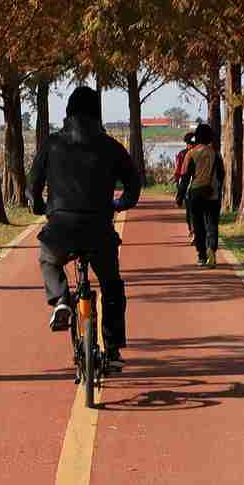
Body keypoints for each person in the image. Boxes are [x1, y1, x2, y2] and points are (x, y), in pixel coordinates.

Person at [30, 86, 141, 369]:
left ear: (68, 112)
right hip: (99, 229)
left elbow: (32, 187)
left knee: (47, 258)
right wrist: (120, 204)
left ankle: (61, 299)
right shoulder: (111, 146)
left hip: (61, 228)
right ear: (97, 114)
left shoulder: (51, 144)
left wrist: (39, 207)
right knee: (112, 286)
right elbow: (133, 183)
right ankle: (113, 349)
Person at [179, 121, 226, 266]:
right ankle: (211, 250)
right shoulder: (216, 154)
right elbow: (221, 174)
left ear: (197, 137)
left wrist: (179, 196)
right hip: (212, 194)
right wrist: (217, 188)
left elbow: (185, 177)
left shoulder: (190, 154)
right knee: (212, 224)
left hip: (196, 194)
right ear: (210, 137)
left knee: (198, 225)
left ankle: (201, 256)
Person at [172, 129, 199, 246]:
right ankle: (194, 231)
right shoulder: (183, 154)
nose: (191, 146)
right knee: (191, 213)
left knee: (191, 213)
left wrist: (179, 193)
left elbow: (178, 172)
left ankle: (194, 232)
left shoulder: (184, 154)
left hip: (190, 187)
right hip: (193, 186)